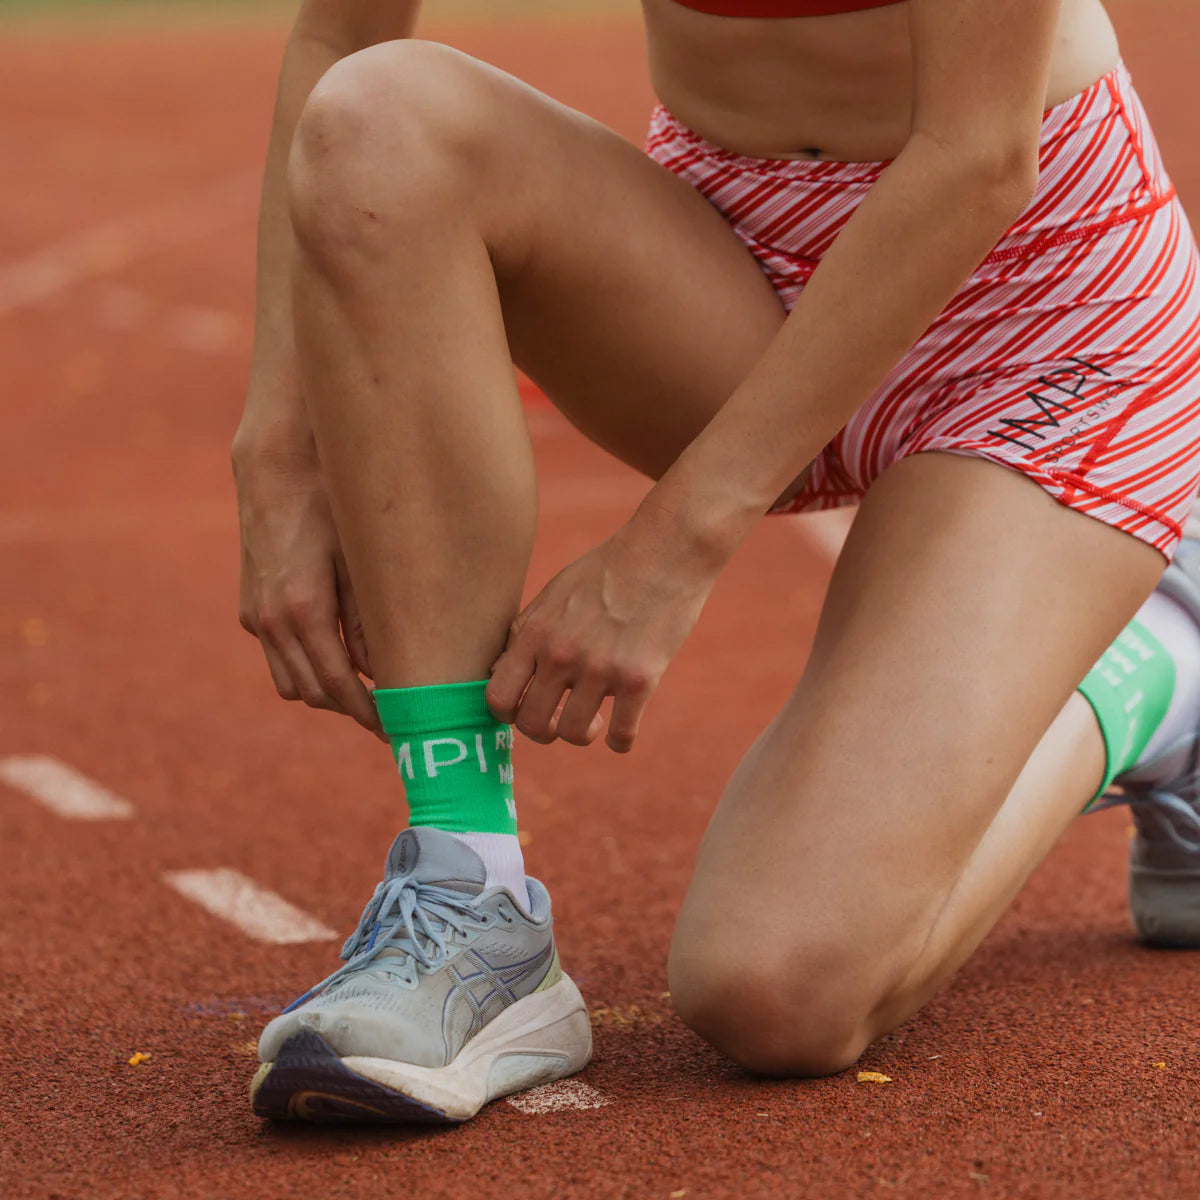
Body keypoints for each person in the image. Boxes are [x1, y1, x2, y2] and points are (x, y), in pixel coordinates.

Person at [233, 0, 1200, 1123]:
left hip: (1034, 308)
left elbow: (979, 156)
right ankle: (469, 897)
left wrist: (672, 544)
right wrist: (280, 448)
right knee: (380, 119)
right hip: (739, 253)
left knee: (777, 989)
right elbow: (340, 43)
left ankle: (1160, 673)